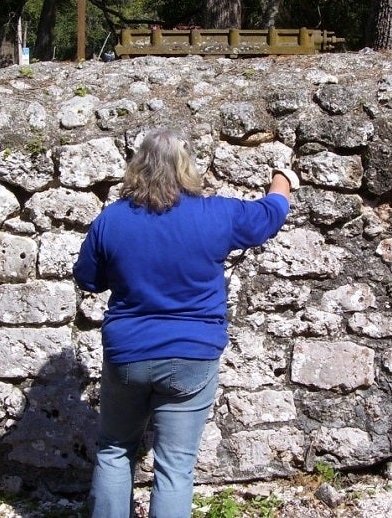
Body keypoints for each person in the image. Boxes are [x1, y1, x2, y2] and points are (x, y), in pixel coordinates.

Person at [73, 127, 299, 518]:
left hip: (128, 353)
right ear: (187, 167)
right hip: (192, 354)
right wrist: (283, 180)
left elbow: (88, 279)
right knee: (175, 466)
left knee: (114, 450)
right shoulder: (215, 215)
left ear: (137, 166)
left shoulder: (112, 220)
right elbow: (269, 215)